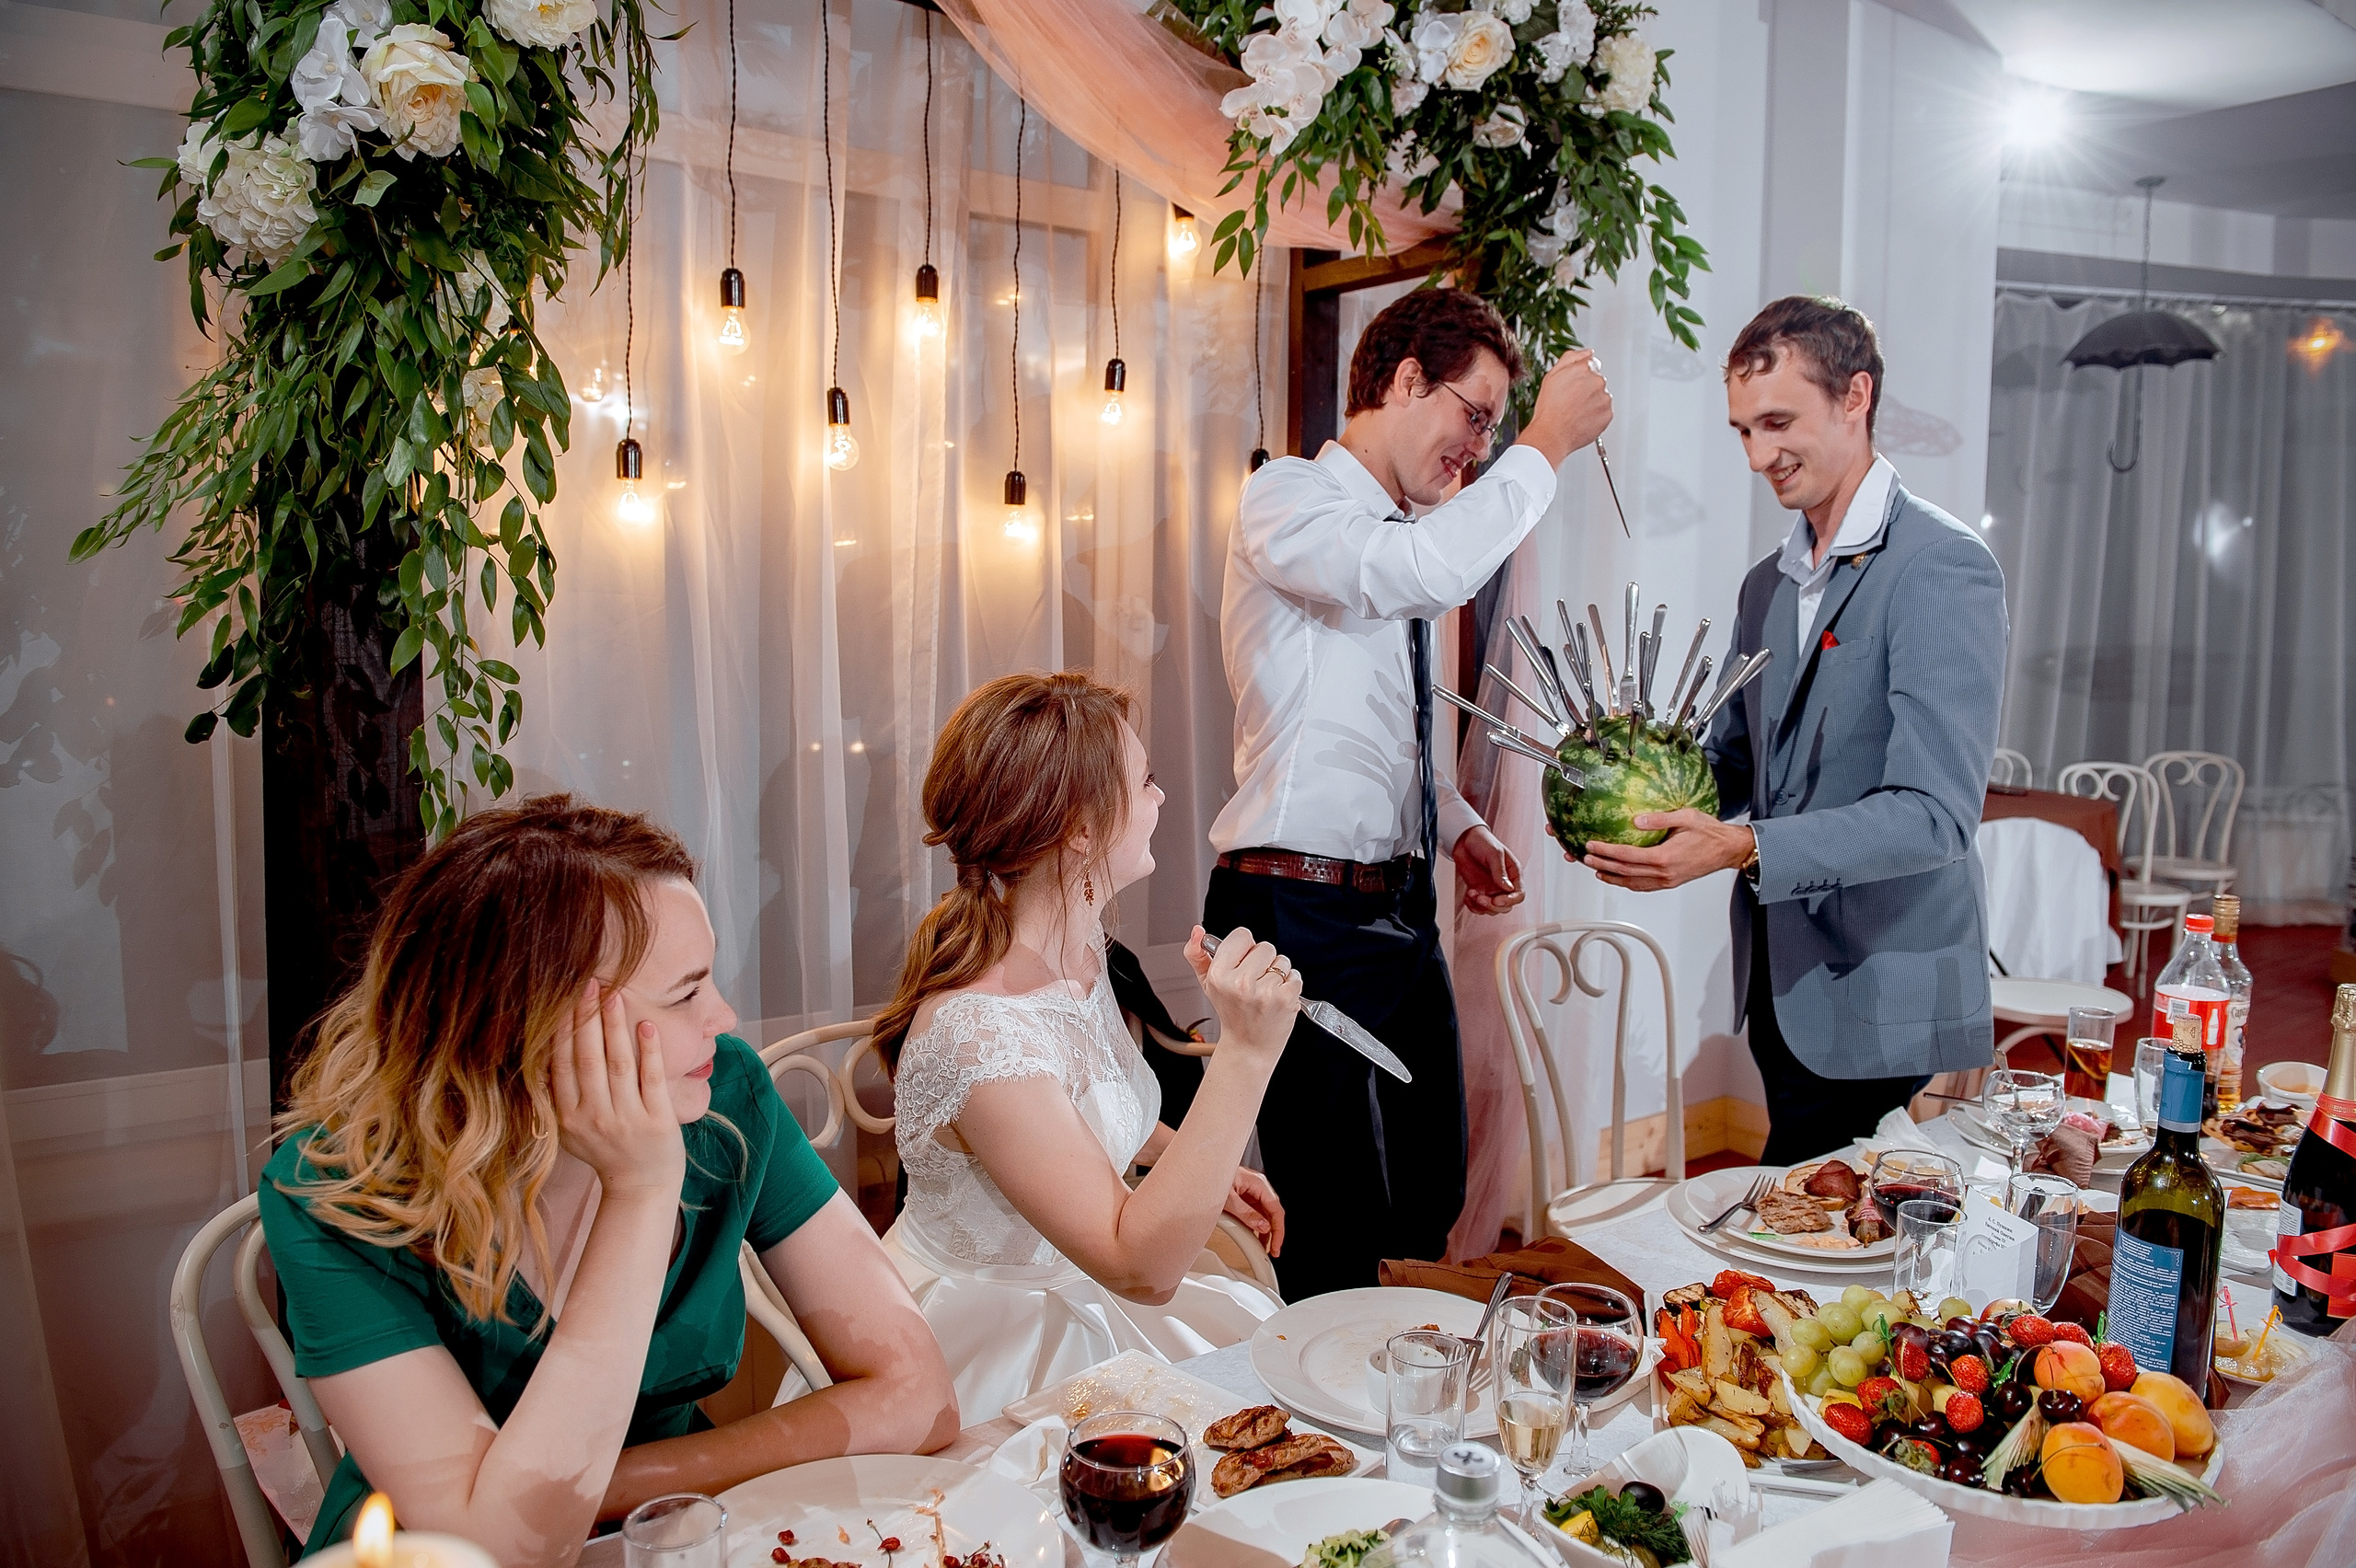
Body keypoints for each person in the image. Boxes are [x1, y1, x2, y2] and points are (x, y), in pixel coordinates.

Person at [260, 797, 956, 1562]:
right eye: (685, 993)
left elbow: (920, 1398)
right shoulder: (332, 1195)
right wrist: (641, 1191)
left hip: (675, 1532)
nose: (723, 1016)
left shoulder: (727, 1096)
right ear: (534, 1023)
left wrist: (621, 1485)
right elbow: (500, 1550)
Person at [1203, 287, 1615, 1297]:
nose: (1477, 447)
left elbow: (1386, 725)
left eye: (1495, 428)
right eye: (1474, 415)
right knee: (1336, 1216)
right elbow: (1424, 573)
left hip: (1392, 907)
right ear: (1400, 381)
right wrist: (1545, 446)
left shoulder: (1391, 543)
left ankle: (1399, 1395)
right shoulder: (1286, 497)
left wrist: (1460, 824)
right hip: (1291, 908)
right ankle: (1322, 1429)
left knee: (1433, 1190)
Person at [1582, 295, 2007, 1164]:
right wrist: (1623, 796)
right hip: (1780, 978)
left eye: (1777, 422)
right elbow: (1738, 761)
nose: (1757, 455)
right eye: (1742, 430)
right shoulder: (1765, 588)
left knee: (1811, 1233)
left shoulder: (1941, 566)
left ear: (1856, 396)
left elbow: (1935, 814)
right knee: (1799, 1232)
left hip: (1879, 979)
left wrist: (1741, 849)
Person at [875, 672, 1302, 1423]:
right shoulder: (978, 1033)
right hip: (983, 1349)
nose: (1161, 798)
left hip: (1083, 1290)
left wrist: (1186, 1159)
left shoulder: (1079, 953)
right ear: (1078, 829)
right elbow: (1143, 1270)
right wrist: (1248, 1052)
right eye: (1145, 782)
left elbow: (1080, 1115)